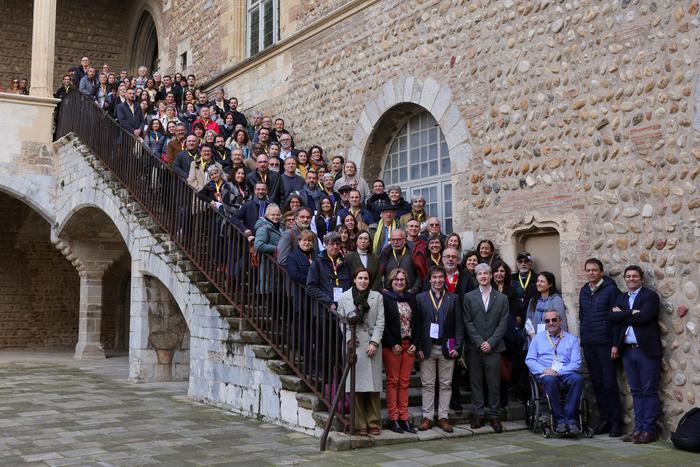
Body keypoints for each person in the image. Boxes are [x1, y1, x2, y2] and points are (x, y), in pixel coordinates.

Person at [610, 265, 662, 444]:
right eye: (628, 276)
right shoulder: (622, 297)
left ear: (641, 279)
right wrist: (631, 312)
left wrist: (623, 315)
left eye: (634, 276)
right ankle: (638, 429)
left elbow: (645, 317)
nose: (631, 279)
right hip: (628, 351)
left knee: (649, 391)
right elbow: (612, 318)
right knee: (636, 391)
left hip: (646, 350)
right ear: (624, 279)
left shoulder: (650, 296)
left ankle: (649, 430)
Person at [336, 268, 385, 436]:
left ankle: (373, 422)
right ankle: (359, 423)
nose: (363, 281)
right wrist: (349, 338)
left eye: (366, 278)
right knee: (356, 386)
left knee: (373, 387)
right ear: (354, 279)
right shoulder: (344, 297)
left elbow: (380, 322)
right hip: (354, 344)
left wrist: (374, 342)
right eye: (360, 278)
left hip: (372, 344)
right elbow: (342, 321)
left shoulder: (377, 297)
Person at [462, 263, 510, 433]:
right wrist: (479, 342)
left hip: (494, 348)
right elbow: (467, 321)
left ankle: (495, 415)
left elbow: (503, 323)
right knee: (475, 382)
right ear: (476, 277)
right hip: (474, 348)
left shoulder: (502, 298)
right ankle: (478, 414)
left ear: (491, 275)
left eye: (486, 273)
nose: (483, 276)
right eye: (479, 273)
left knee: (494, 383)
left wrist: (491, 342)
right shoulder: (468, 297)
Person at [415, 266, 464, 433]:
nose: (437, 280)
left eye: (440, 277)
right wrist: (419, 347)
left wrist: (458, 347)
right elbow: (417, 326)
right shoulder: (421, 298)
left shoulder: (453, 298)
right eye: (434, 277)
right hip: (427, 348)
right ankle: (427, 417)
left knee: (446, 384)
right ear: (429, 279)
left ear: (445, 279)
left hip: (447, 347)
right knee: (428, 384)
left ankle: (443, 417)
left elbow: (459, 325)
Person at [579, 258, 623, 437]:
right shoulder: (584, 290)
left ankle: (616, 423)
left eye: (594, 270)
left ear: (601, 272)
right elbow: (582, 315)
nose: (591, 273)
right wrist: (583, 339)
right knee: (597, 383)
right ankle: (605, 420)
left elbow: (618, 320)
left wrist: (615, 344)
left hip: (605, 343)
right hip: (589, 343)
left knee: (609, 383)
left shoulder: (611, 290)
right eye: (588, 270)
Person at [526, 310, 585, 435]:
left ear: (560, 321)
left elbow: (576, 363)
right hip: (545, 374)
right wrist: (544, 370)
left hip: (565, 373)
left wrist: (557, 371)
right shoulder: (537, 339)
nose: (551, 323)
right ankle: (559, 420)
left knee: (578, 379)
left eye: (554, 320)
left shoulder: (572, 339)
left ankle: (570, 419)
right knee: (550, 380)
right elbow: (530, 360)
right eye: (547, 321)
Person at [381, 268, 420, 434]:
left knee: (404, 383)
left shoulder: (411, 298)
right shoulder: (385, 298)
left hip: (408, 346)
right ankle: (393, 418)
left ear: (406, 282)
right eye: (396, 280)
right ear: (391, 282)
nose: (399, 282)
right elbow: (383, 324)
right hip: (393, 347)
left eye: (402, 279)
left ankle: (404, 418)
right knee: (393, 381)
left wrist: (415, 343)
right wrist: (392, 344)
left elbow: (418, 322)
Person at [492, 259, 524, 406]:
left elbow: (515, 312)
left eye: (502, 271)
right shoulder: (488, 289)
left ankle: (507, 394)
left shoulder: (511, 290)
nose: (499, 274)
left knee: (506, 367)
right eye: (497, 271)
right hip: (491, 333)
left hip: (507, 333)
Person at [306, 232, 351, 308]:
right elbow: (310, 287)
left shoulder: (345, 262)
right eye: (332, 244)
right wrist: (328, 301)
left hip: (343, 306)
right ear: (326, 245)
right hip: (325, 307)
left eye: (337, 244)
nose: (335, 247)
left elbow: (350, 284)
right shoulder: (317, 262)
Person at [379, 228, 422, 295]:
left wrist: (413, 290)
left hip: (410, 294)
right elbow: (377, 275)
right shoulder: (385, 253)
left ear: (405, 240)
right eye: (393, 240)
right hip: (389, 295)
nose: (395, 242)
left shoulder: (414, 253)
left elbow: (420, 275)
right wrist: (382, 289)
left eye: (399, 239)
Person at [525, 272, 567, 339]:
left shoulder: (556, 300)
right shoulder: (533, 301)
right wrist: (533, 336)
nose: (538, 284)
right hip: (533, 339)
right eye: (538, 281)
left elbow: (561, 322)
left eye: (542, 281)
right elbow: (528, 321)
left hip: (552, 340)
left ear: (550, 284)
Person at [512, 251, 538, 325]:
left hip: (532, 316)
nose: (523, 264)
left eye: (526, 261)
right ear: (517, 264)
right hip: (515, 318)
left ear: (530, 263)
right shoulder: (511, 279)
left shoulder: (537, 279)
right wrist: (516, 314)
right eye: (520, 262)